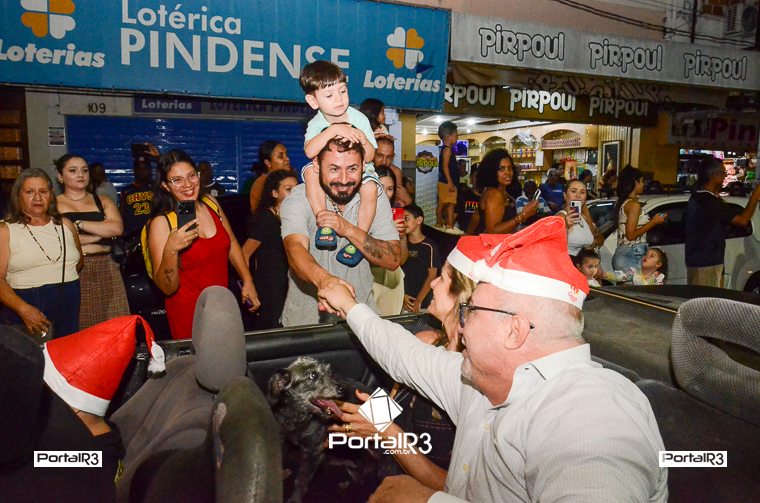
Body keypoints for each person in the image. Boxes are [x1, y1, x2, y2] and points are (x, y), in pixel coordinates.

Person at [317, 217, 668, 502]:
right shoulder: (483, 382)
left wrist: (426, 496)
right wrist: (349, 305)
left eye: (470, 310)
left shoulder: (591, 414)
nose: (462, 325)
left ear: (514, 331)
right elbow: (402, 355)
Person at [329, 254, 478, 485]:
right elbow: (395, 404)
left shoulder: (474, 378)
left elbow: (455, 489)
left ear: (461, 296)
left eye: (442, 278)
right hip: (389, 468)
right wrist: (353, 422)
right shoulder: (427, 341)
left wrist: (386, 432)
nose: (432, 283)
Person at [279, 137, 400, 327]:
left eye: (352, 169)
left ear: (364, 166)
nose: (344, 179)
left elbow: (392, 259)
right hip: (305, 324)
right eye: (334, 169)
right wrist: (325, 281)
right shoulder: (298, 198)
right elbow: (295, 249)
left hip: (362, 322)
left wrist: (347, 229)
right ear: (317, 165)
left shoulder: (375, 198)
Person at [146, 149, 258, 340]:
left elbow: (231, 242)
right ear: (165, 186)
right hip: (190, 316)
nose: (188, 184)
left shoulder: (211, 203)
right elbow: (167, 288)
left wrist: (247, 280)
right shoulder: (162, 223)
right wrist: (171, 249)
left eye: (191, 175)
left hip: (223, 307)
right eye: (177, 180)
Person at [300, 60, 378, 266]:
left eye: (343, 91)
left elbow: (370, 156)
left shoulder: (359, 119)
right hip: (328, 172)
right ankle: (324, 222)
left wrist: (363, 139)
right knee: (309, 172)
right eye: (329, 95)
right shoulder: (317, 123)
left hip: (361, 170)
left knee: (370, 188)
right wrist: (333, 130)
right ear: (313, 101)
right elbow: (309, 151)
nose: (339, 99)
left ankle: (360, 237)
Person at [0, 169, 83, 339]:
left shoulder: (66, 225)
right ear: (18, 195)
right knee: (31, 356)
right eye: (29, 192)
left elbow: (79, 262)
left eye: (43, 191)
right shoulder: (6, 230)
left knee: (66, 354)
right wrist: (23, 309)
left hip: (68, 307)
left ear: (51, 195)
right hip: (25, 310)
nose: (37, 198)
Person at [56, 154, 130, 330]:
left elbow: (116, 228)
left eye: (84, 170)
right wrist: (98, 235)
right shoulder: (53, 205)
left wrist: (78, 225)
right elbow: (59, 239)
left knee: (115, 329)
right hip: (73, 271)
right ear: (60, 176)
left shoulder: (102, 200)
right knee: (81, 330)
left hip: (108, 269)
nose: (80, 175)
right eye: (73, 170)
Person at [685, 157, 760, 287]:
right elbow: (742, 220)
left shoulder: (699, 197)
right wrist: (755, 195)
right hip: (706, 263)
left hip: (702, 261)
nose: (725, 176)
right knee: (707, 299)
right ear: (714, 175)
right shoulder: (708, 201)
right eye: (723, 173)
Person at [242, 170, 298, 330]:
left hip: (290, 283)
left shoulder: (296, 218)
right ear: (274, 193)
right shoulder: (266, 218)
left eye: (297, 189)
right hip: (270, 286)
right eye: (288, 189)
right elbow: (244, 254)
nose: (294, 194)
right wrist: (248, 284)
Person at [469, 149, 537, 234]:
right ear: (492, 171)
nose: (507, 172)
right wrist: (523, 215)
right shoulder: (495, 194)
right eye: (501, 169)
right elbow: (493, 231)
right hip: (495, 242)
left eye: (510, 168)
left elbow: (475, 218)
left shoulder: (496, 192)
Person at [612, 166, 667, 271]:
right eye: (641, 181)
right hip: (632, 254)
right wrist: (653, 222)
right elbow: (630, 235)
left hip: (626, 253)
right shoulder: (634, 205)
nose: (643, 184)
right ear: (635, 182)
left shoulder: (624, 202)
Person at [370, 166, 408, 316]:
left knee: (390, 325)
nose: (385, 194)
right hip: (368, 277)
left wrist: (402, 236)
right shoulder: (359, 212)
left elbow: (402, 260)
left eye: (390, 189)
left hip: (392, 280)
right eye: (380, 187)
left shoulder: (397, 214)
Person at [401, 204, 440, 313]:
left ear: (419, 220)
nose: (403, 223)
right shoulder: (401, 243)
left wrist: (418, 301)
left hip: (423, 301)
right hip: (403, 299)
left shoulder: (429, 246)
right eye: (401, 219)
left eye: (406, 219)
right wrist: (401, 294)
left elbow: (432, 275)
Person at [557, 179, 604, 257]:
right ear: (565, 195)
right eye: (573, 191)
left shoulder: (584, 217)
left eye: (582, 192)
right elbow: (554, 246)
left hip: (585, 262)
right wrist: (566, 227)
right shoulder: (560, 217)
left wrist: (588, 216)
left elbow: (600, 241)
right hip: (567, 262)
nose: (578, 195)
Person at [248, 140, 292, 212]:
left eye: (286, 155)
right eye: (281, 156)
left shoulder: (289, 179)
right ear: (268, 163)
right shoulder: (261, 183)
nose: (287, 159)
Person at [435, 121, 460, 233]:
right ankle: (439, 223)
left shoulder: (447, 149)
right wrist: (449, 181)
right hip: (446, 182)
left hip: (448, 182)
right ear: (448, 137)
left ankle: (449, 225)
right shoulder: (447, 150)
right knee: (443, 204)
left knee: (451, 204)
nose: (457, 138)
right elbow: (445, 166)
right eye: (456, 135)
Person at [374, 136, 412, 207]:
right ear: (373, 153)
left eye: (388, 157)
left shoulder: (396, 172)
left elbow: (397, 201)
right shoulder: (365, 169)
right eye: (380, 155)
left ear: (393, 157)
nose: (384, 161)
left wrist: (408, 201)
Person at [120, 156, 154, 235]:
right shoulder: (126, 191)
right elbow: (121, 214)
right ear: (135, 170)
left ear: (149, 170)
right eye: (139, 168)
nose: (142, 171)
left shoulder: (156, 187)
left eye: (144, 168)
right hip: (132, 234)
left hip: (152, 232)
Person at [457, 164, 481, 235]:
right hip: (466, 235)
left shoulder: (491, 198)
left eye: (481, 176)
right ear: (471, 178)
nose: (479, 180)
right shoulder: (463, 196)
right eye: (476, 176)